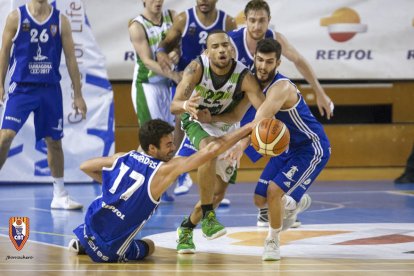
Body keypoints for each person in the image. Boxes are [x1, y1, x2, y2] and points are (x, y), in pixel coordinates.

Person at [67, 119, 255, 262]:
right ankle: (94, 249)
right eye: (168, 145)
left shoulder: (123, 157)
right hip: (109, 251)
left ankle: (83, 244)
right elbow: (211, 150)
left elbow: (85, 166)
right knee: (150, 246)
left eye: (173, 143)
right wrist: (248, 128)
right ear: (151, 148)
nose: (173, 148)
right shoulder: (164, 171)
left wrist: (113, 185)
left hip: (87, 228)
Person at [228, 0, 334, 227]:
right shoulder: (232, 43)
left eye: (262, 21)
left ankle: (286, 206)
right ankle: (277, 203)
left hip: (269, 107)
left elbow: (299, 61)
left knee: (263, 136)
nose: (257, 26)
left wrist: (320, 92)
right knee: (259, 195)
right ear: (245, 21)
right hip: (248, 102)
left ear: (268, 21)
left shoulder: (276, 43)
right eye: (253, 21)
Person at [170, 30, 265, 253]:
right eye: (215, 46)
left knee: (218, 194)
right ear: (207, 51)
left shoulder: (244, 77)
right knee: (209, 149)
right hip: (195, 121)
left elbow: (258, 112)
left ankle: (186, 228)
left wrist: (254, 135)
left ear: (232, 50)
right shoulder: (196, 68)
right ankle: (209, 216)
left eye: (225, 45)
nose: (221, 49)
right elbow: (174, 104)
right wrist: (188, 107)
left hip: (223, 124)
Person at [0, 0, 87, 209]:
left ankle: (59, 194)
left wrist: (78, 94)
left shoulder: (61, 20)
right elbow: (4, 52)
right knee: (5, 137)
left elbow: (71, 58)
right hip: (21, 88)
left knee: (54, 142)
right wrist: (0, 85)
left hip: (49, 89)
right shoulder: (16, 17)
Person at [252, 38, 330, 260]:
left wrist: (237, 146)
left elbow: (259, 119)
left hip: (310, 147)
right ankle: (293, 202)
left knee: (274, 192)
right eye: (259, 60)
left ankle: (273, 241)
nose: (263, 66)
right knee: (260, 200)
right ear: (254, 58)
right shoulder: (255, 78)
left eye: (269, 62)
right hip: (286, 146)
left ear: (277, 64)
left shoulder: (282, 87)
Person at [156, 0, 237, 196]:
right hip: (190, 82)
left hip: (216, 84)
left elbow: (236, 52)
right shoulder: (184, 19)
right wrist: (162, 54)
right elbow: (164, 45)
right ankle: (176, 175)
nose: (202, 1)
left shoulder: (228, 22)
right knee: (178, 126)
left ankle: (215, 186)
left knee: (219, 132)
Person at [128, 0, 183, 202]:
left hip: (166, 86)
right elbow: (147, 60)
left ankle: (159, 187)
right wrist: (173, 75)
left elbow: (178, 44)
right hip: (147, 85)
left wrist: (177, 52)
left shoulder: (174, 17)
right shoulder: (137, 25)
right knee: (151, 139)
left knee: (168, 138)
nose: (157, 1)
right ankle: (131, 184)